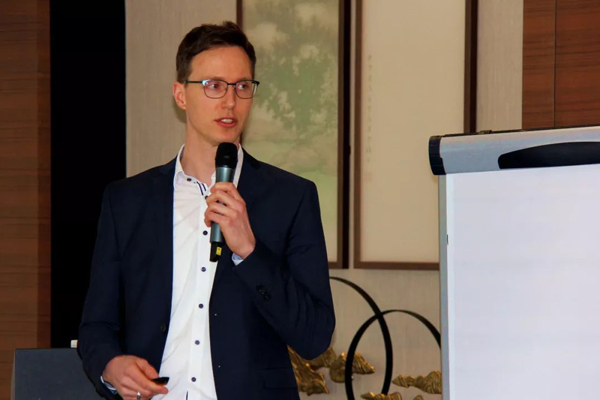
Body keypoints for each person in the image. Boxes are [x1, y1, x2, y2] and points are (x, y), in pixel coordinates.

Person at [78, 21, 335, 400]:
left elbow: (314, 335)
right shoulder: (128, 201)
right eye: (214, 86)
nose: (230, 101)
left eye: (242, 86)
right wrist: (111, 367)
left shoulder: (291, 197)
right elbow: (96, 326)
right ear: (180, 95)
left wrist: (250, 251)